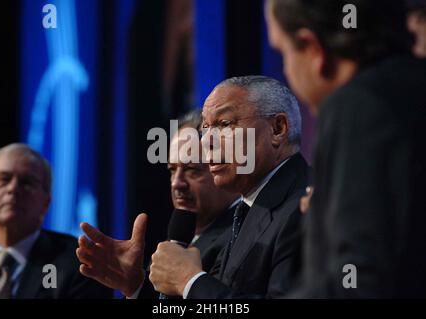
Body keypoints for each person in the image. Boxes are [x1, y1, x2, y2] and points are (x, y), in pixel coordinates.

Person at [265, 0, 426, 297]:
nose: (286, 70)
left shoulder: (359, 107)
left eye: (283, 52)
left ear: (312, 48)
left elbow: (361, 282)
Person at [149, 75, 310, 298]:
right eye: (206, 128)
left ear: (277, 129)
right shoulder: (250, 208)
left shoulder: (305, 208)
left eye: (224, 124)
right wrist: (136, 287)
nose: (206, 142)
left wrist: (190, 282)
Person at [76, 110, 239, 298]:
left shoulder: (239, 238)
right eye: (172, 170)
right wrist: (135, 286)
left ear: (223, 170)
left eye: (192, 169)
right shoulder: (181, 241)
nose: (177, 183)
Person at [0, 143, 112, 299]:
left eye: (27, 182)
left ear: (46, 203)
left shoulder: (80, 263)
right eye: (3, 179)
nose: (12, 189)